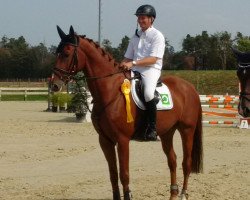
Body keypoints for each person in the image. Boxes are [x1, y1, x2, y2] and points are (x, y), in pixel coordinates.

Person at [120, 4, 165, 141]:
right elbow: (128, 57)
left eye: (143, 17)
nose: (140, 20)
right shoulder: (135, 36)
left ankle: (152, 129)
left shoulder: (157, 36)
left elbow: (153, 59)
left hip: (151, 69)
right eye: (139, 17)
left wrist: (132, 63)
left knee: (148, 93)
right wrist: (121, 64)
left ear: (151, 19)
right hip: (135, 68)